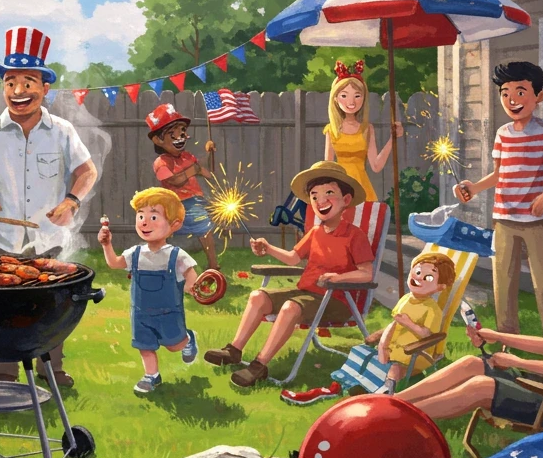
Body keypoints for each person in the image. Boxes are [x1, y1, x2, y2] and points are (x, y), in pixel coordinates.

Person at [0, 26, 98, 387]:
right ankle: (3, 374)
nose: (19, 92)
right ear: (3, 87)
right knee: (0, 308)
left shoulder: (62, 131)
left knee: (52, 308)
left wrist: (71, 200)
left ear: (45, 89)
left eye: (28, 82)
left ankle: (52, 369)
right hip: (0, 237)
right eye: (11, 83)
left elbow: (87, 171)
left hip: (49, 239)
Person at [395, 215, 543, 427]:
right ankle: (393, 402)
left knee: (481, 387)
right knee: (471, 363)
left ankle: (396, 418)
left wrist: (517, 361)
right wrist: (497, 336)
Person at [205, 161, 374, 388]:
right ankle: (233, 350)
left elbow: (366, 274)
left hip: (336, 300)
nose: (320, 201)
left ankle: (259, 365)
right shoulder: (315, 232)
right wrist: (268, 248)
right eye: (314, 196)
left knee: (290, 307)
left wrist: (338, 278)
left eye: (329, 193)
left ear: (346, 200)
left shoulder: (355, 235)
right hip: (306, 294)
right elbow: (294, 258)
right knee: (258, 296)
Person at [455, 61, 543, 335]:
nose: (511, 100)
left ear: (538, 96)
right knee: (503, 283)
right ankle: (507, 341)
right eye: (505, 93)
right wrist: (475, 187)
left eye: (520, 92)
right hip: (504, 219)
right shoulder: (503, 134)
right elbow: (499, 173)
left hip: (538, 219)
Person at [285, 252, 456, 406]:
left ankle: (385, 396)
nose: (419, 278)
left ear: (440, 287)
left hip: (413, 355)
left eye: (428, 278)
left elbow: (429, 335)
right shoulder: (406, 299)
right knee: (360, 353)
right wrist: (380, 337)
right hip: (391, 349)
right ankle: (335, 388)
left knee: (393, 370)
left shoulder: (432, 309)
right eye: (418, 272)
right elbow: (394, 325)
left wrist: (409, 324)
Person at [98, 188, 200, 395]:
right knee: (145, 346)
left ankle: (188, 340)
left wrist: (191, 285)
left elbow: (191, 275)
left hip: (169, 312)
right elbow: (114, 263)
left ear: (174, 225)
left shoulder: (176, 255)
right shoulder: (135, 253)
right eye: (141, 216)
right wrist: (107, 245)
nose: (145, 222)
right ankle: (151, 375)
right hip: (141, 313)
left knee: (174, 345)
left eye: (153, 217)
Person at [322, 59, 402, 215]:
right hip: (339, 188)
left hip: (362, 188)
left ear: (364, 99)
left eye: (357, 96)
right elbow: (328, 168)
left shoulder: (367, 129)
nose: (351, 102)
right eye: (344, 95)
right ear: (336, 99)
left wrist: (393, 139)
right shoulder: (331, 130)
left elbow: (376, 166)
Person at [146, 103, 219, 271]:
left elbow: (206, 172)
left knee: (205, 231)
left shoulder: (187, 156)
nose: (179, 137)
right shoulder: (161, 162)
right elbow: (174, 181)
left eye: (182, 133)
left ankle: (213, 265)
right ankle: (161, 264)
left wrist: (209, 154)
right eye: (172, 134)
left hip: (195, 201)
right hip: (175, 204)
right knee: (165, 234)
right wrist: (193, 170)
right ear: (158, 140)